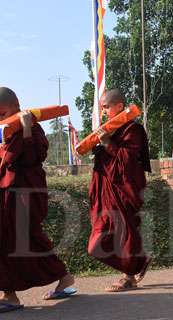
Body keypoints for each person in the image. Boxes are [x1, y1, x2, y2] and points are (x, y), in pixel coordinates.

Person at [0, 87, 76, 313]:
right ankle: (64, 277)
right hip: (5, 193)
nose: (0, 118)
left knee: (25, 240)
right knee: (18, 241)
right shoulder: (4, 131)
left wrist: (25, 130)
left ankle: (10, 295)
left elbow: (35, 157)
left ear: (16, 106)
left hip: (25, 192)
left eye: (2, 113)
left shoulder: (33, 126)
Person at [87, 89, 152, 292]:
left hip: (123, 189)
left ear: (119, 105)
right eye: (102, 107)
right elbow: (103, 161)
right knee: (98, 241)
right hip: (106, 190)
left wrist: (107, 143)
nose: (104, 111)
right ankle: (137, 262)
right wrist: (99, 144)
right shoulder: (106, 129)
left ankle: (129, 275)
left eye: (106, 106)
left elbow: (129, 162)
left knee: (124, 231)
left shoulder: (133, 129)